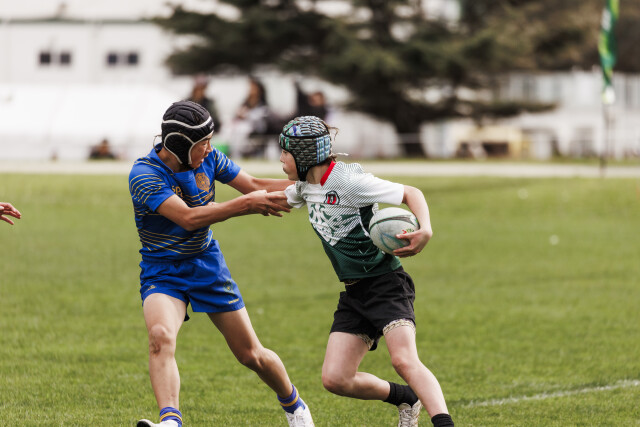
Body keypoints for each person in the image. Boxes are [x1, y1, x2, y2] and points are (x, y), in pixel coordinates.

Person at [129, 101, 314, 427]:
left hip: (206, 265)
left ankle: (295, 406)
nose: (209, 148)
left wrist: (316, 187)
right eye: (203, 143)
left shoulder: (209, 158)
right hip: (163, 270)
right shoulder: (144, 174)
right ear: (181, 144)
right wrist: (245, 205)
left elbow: (254, 186)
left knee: (251, 354)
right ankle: (171, 421)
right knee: (160, 336)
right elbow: (189, 218)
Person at [276, 116, 454, 427]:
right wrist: (223, 192)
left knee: (404, 360)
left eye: (285, 152)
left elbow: (411, 192)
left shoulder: (349, 182)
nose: (280, 158)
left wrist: (425, 229)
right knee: (335, 378)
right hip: (355, 291)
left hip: (386, 284)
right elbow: (268, 194)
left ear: (304, 157)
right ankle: (405, 397)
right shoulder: (306, 186)